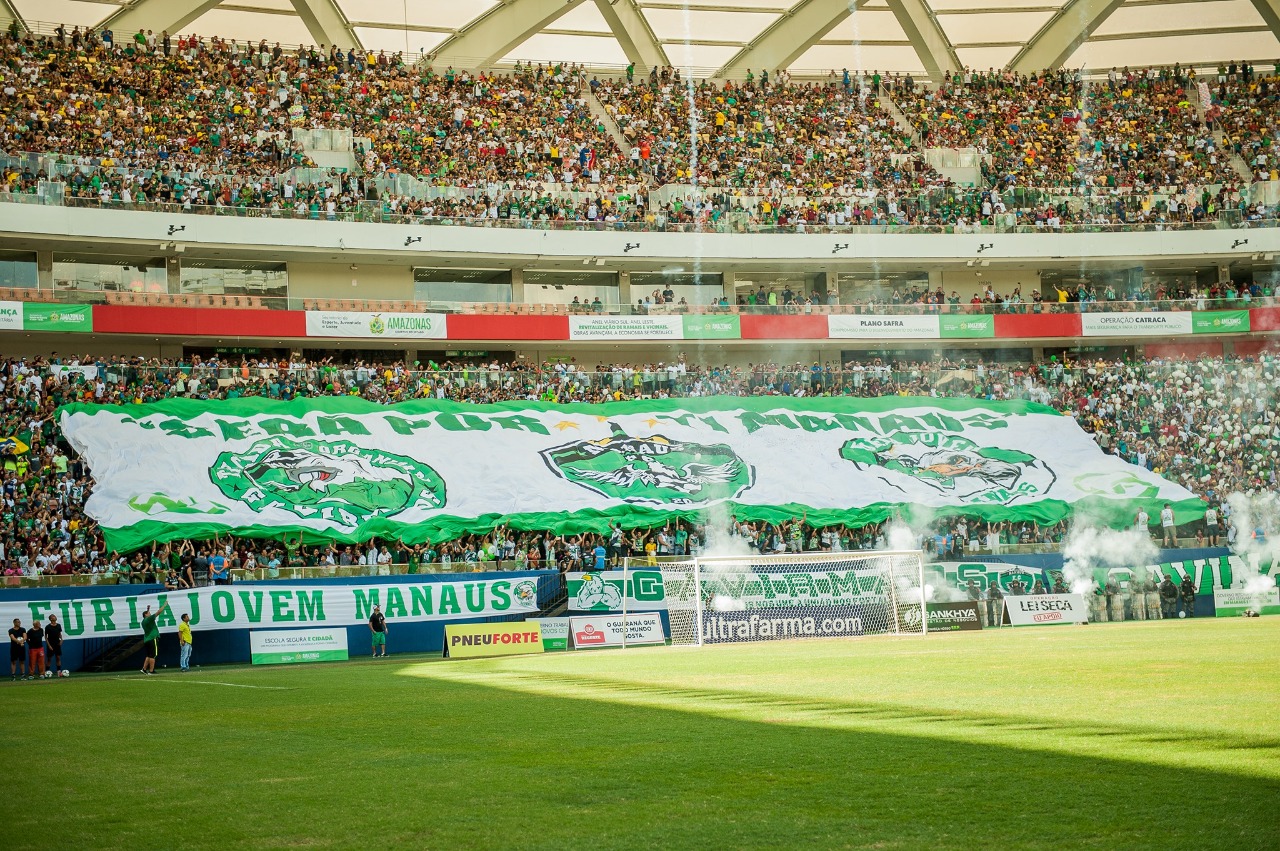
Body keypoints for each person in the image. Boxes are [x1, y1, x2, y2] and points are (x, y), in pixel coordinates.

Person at [140, 602, 168, 674]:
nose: (150, 614)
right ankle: (151, 671)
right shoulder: (148, 619)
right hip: (153, 638)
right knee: (153, 655)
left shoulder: (143, 621)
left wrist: (148, 610)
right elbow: (158, 612)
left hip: (146, 639)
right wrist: (164, 605)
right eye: (149, 613)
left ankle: (144, 669)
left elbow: (148, 616)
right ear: (146, 615)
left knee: (148, 655)